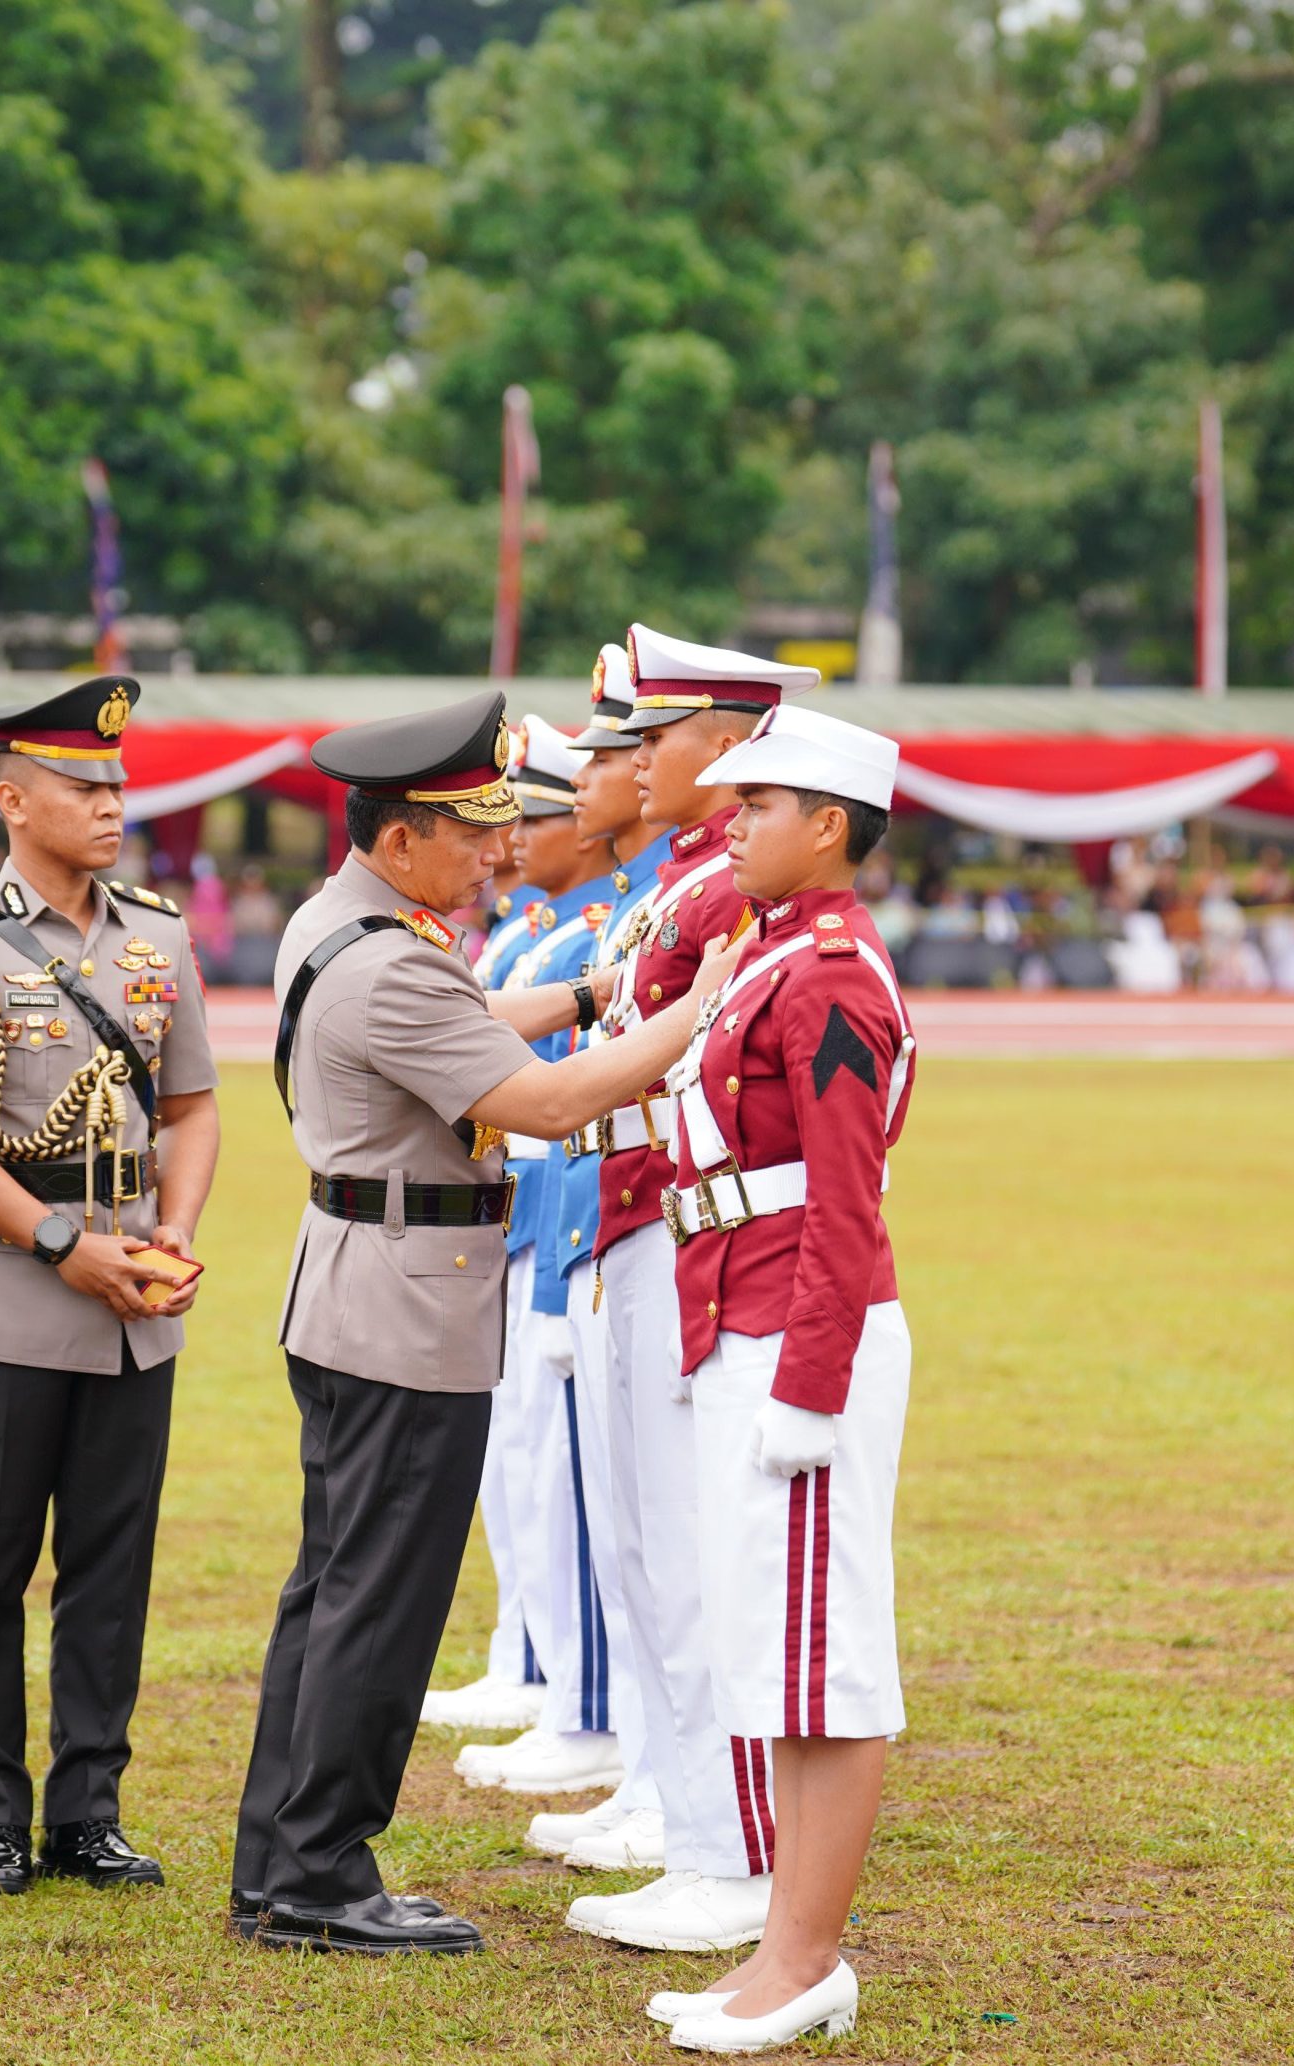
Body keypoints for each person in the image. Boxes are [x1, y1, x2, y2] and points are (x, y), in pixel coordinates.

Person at [232, 687, 738, 1957]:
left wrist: (590, 990)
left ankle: (278, 1858)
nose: (496, 851)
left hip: (361, 1284)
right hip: (406, 1304)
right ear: (402, 837)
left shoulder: (344, 923)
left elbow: (462, 1026)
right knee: (380, 1597)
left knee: (331, 1586)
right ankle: (322, 1872)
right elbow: (547, 1105)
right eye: (470, 832)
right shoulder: (396, 958)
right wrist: (693, 1010)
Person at [0, 675, 218, 1897]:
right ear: (14, 800)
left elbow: (192, 1106)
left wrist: (173, 1231)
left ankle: (87, 1811)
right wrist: (58, 1242)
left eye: (119, 783)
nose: (113, 803)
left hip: (135, 1306)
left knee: (110, 1572)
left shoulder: (157, 933)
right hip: (8, 1295)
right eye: (84, 786)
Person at [644, 702, 916, 2054]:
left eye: (757, 805)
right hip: (743, 1313)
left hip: (803, 1329)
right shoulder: (772, 953)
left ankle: (808, 1957)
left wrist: (809, 1382)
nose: (731, 821)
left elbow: (845, 1200)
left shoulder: (831, 974)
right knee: (778, 1653)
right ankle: (779, 1948)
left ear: (828, 825)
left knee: (825, 1657)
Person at [569, 625, 818, 1960]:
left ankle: (726, 1851)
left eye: (654, 737)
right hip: (630, 1213)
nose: (632, 762)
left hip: (683, 1229)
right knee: (648, 1547)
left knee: (689, 1551)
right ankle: (686, 1822)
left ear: (725, 743)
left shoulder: (728, 887)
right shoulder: (686, 881)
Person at [510, 645, 665, 1871]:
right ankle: (605, 1730)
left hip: (626, 1229)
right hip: (564, 1224)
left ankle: (607, 1727)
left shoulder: (657, 906)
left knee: (636, 1521)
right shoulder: (600, 917)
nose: (512, 836)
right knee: (571, 1495)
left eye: (633, 748)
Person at [418, 775, 551, 1739]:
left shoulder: (575, 931)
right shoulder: (520, 934)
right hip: (519, 1222)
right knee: (519, 1472)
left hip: (559, 1223)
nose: (508, 845)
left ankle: (570, 1693)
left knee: (558, 1480)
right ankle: (531, 1663)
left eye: (534, 818)